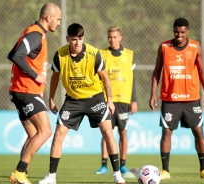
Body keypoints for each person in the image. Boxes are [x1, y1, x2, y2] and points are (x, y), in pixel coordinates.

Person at [38, 23, 125, 184]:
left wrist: (110, 100)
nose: (77, 43)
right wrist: (50, 99)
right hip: (73, 101)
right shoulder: (60, 55)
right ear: (68, 39)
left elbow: (105, 77)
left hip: (95, 99)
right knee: (58, 135)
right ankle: (51, 177)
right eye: (74, 39)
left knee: (108, 133)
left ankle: (117, 175)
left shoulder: (94, 53)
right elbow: (55, 77)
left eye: (80, 39)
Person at [149, 18, 204, 180]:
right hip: (170, 100)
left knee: (198, 131)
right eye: (177, 32)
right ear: (173, 30)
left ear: (187, 32)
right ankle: (165, 171)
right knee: (166, 133)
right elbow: (157, 72)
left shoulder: (195, 47)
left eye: (183, 32)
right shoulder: (164, 47)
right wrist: (152, 94)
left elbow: (202, 70)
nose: (179, 35)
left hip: (192, 98)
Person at [7, 3, 61, 184]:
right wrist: (36, 75)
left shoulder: (31, 32)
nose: (59, 23)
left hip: (20, 90)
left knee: (33, 135)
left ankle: (21, 176)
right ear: (49, 18)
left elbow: (12, 53)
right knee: (45, 131)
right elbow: (17, 56)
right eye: (58, 19)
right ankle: (19, 172)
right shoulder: (36, 34)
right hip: (26, 90)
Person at [95, 26, 138, 177]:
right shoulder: (102, 54)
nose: (112, 39)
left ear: (120, 37)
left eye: (115, 37)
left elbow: (133, 80)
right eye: (110, 37)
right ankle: (103, 165)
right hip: (107, 100)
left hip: (124, 100)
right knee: (106, 132)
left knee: (123, 132)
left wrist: (134, 100)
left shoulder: (129, 54)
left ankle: (123, 165)